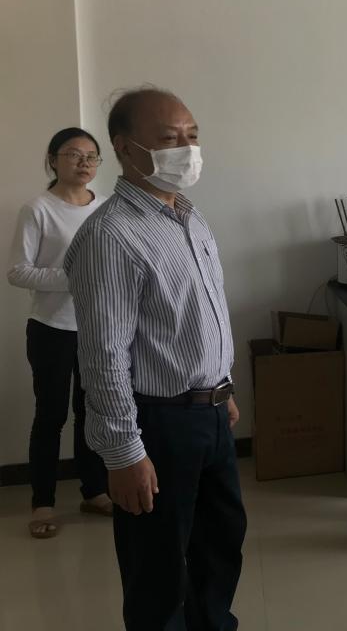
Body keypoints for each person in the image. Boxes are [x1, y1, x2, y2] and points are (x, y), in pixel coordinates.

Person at [65, 88, 245, 630]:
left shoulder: (190, 217)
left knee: (220, 544)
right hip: (159, 422)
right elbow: (103, 355)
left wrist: (223, 387)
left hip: (210, 413)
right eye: (169, 139)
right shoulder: (111, 235)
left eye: (192, 136)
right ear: (125, 147)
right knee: (158, 565)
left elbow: (203, 314)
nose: (186, 149)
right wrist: (123, 454)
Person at [7, 128, 112, 539]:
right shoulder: (38, 209)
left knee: (92, 413)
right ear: (53, 160)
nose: (84, 163)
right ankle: (43, 502)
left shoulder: (106, 208)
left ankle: (94, 491)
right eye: (73, 154)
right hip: (51, 328)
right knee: (51, 416)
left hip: (98, 329)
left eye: (91, 156)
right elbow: (18, 271)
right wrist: (74, 278)